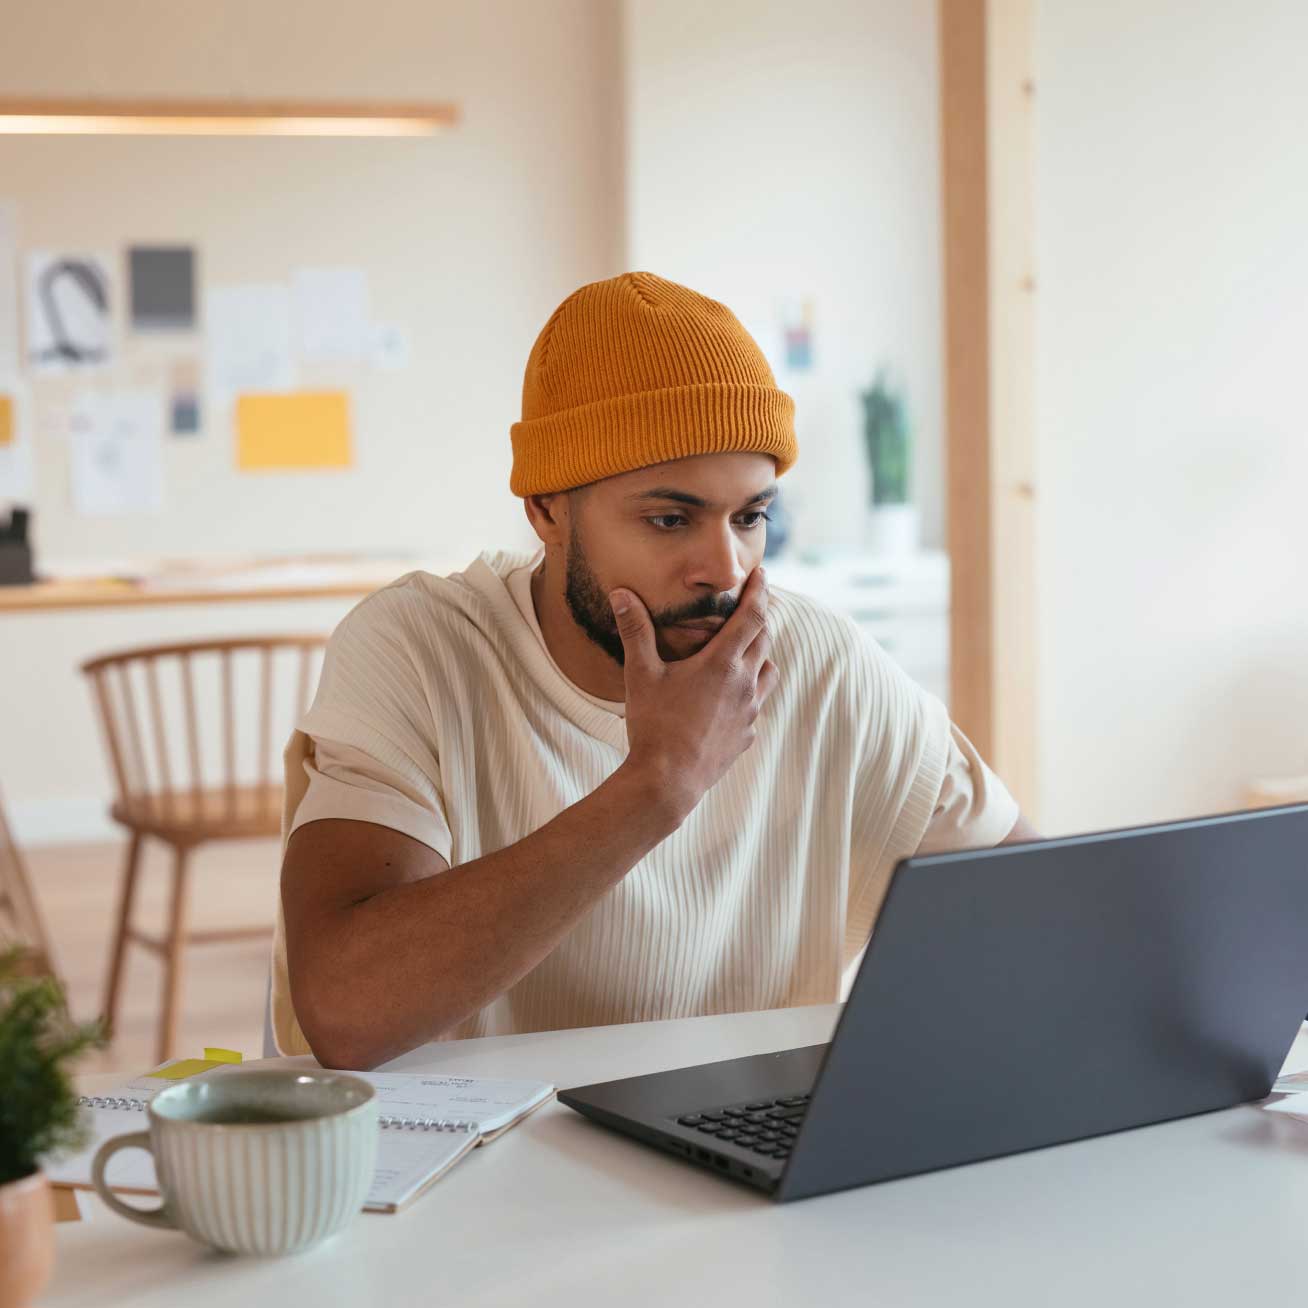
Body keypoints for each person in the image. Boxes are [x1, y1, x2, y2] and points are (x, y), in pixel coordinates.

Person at [276, 271, 1037, 1070]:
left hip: (745, 1168)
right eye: (670, 519)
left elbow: (1037, 907)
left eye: (750, 517)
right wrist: (659, 782)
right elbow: (345, 1013)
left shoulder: (822, 663)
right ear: (545, 509)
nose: (725, 566)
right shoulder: (421, 647)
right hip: (486, 1174)